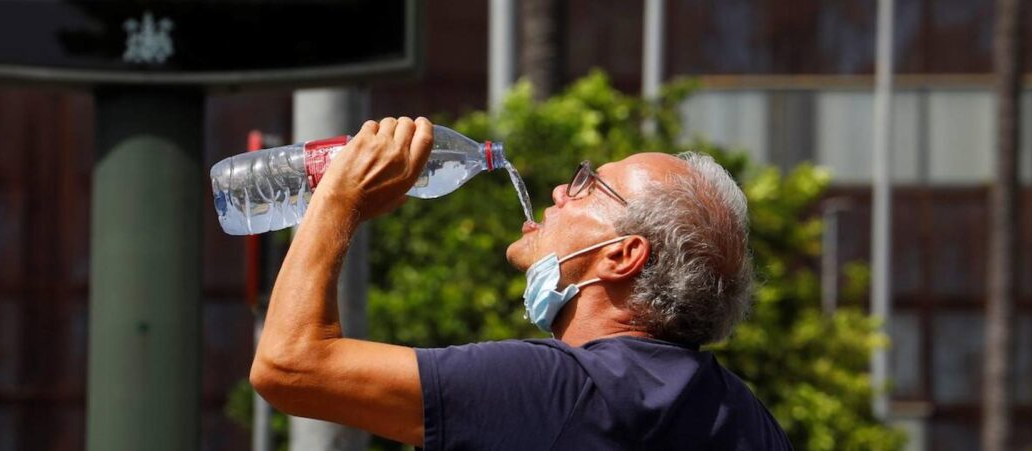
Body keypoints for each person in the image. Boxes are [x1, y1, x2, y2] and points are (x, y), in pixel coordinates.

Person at [250, 116, 792, 450]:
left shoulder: (558, 389)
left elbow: (289, 365)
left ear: (622, 256)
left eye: (588, 185)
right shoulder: (742, 416)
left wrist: (339, 200)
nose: (559, 190)